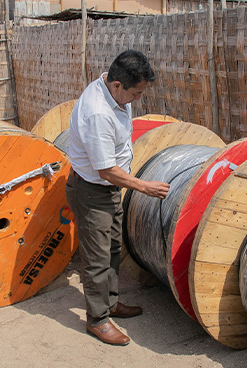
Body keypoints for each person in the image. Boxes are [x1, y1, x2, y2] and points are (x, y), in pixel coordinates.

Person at [65, 50, 170, 346]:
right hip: (92, 191)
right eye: (135, 93)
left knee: (112, 247)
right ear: (117, 86)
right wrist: (144, 187)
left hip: (106, 189)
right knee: (97, 258)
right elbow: (106, 170)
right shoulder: (98, 112)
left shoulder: (113, 92)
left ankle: (110, 304)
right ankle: (97, 320)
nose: (138, 99)